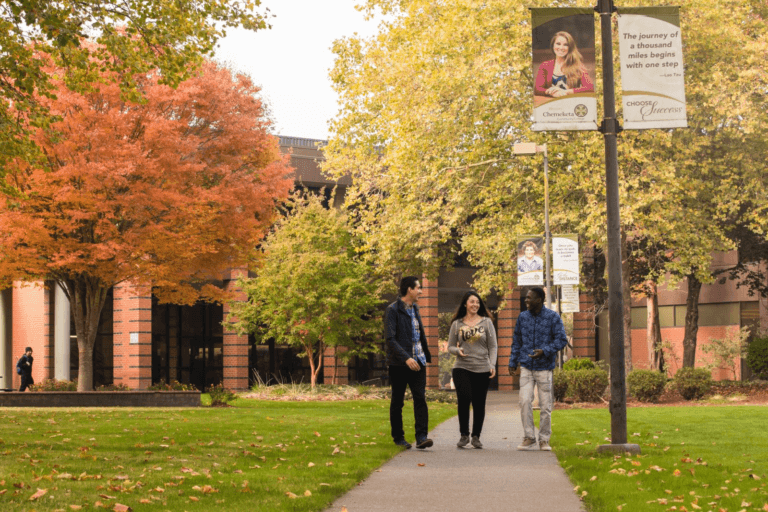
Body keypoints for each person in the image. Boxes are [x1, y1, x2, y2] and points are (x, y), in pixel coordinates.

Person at [508, 287, 568, 451]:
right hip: (526, 366)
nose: (526, 300)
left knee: (545, 406)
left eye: (529, 298)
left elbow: (562, 340)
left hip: (544, 368)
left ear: (539, 300)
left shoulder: (552, 317)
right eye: (526, 298)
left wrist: (545, 351)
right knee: (525, 401)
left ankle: (544, 439)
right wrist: (513, 361)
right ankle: (529, 437)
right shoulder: (522, 317)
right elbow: (517, 341)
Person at [385, 276, 433, 449]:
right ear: (409, 289)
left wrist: (423, 356)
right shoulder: (393, 310)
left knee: (420, 398)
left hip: (418, 361)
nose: (420, 291)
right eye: (418, 288)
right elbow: (390, 339)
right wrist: (406, 358)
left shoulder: (416, 309)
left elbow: (418, 336)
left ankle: (422, 437)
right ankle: (398, 438)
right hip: (399, 364)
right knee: (397, 401)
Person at [447, 291, 497, 449]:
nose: (475, 305)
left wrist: (492, 364)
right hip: (462, 367)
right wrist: (457, 351)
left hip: (482, 367)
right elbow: (450, 346)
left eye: (477, 302)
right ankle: (464, 435)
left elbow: (493, 345)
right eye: (472, 302)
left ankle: (476, 436)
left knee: (479, 403)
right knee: (464, 399)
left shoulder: (487, 322)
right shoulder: (457, 324)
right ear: (465, 304)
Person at [534, 31, 594, 98]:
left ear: (570, 47)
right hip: (551, 105)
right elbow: (537, 89)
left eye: (565, 45)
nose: (561, 47)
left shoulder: (578, 66)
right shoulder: (545, 65)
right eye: (558, 44)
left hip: (570, 104)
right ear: (553, 45)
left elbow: (590, 88)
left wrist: (566, 92)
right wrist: (551, 92)